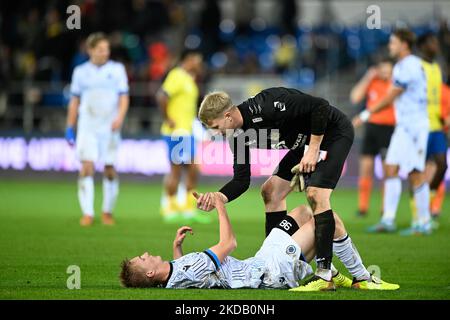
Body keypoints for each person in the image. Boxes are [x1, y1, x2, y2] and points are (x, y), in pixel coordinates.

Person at [193, 87, 380, 291]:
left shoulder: (267, 105)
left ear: (227, 115)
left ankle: (325, 275)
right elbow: (241, 180)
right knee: (270, 191)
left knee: (316, 194)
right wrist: (217, 197)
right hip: (303, 146)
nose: (215, 133)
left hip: (332, 133)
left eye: (215, 126)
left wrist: (313, 151)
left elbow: (320, 106)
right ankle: (273, 264)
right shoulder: (236, 136)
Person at [120, 193, 399, 290]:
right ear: (150, 273)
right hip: (271, 272)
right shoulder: (188, 269)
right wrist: (220, 206)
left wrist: (177, 247)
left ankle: (329, 271)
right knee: (328, 219)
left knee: (302, 211)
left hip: (262, 259)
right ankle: (362, 277)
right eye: (142, 259)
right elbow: (229, 244)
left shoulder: (172, 276)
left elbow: (184, 274)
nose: (145, 253)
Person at [355, 29, 432, 235]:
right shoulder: (401, 66)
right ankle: (388, 219)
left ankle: (423, 222)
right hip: (403, 127)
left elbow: (391, 95)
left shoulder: (411, 65)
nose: (390, 46)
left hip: (415, 126)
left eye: (393, 42)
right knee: (390, 168)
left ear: (404, 44)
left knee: (415, 172)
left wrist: (365, 114)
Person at [65, 32, 129, 226]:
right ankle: (88, 213)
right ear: (90, 50)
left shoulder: (117, 69)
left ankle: (107, 212)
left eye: (107, 49)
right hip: (87, 126)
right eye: (101, 49)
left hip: (109, 126)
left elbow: (124, 96)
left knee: (109, 168)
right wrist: (70, 125)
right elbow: (74, 101)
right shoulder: (80, 72)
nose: (105, 53)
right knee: (86, 167)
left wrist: (119, 117)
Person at [156, 49, 210, 224]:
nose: (199, 63)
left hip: (187, 132)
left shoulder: (189, 78)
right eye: (197, 59)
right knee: (176, 170)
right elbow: (161, 96)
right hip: (176, 132)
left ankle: (187, 208)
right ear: (189, 59)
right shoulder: (177, 75)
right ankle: (168, 208)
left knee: (193, 169)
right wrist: (167, 119)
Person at [351, 58, 396, 217]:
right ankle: (363, 207)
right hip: (371, 129)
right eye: (382, 69)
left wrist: (364, 115)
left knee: (387, 171)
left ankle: (385, 208)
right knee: (366, 169)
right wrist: (368, 77)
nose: (385, 73)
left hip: (389, 129)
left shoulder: (396, 84)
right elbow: (355, 97)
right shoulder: (373, 82)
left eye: (388, 70)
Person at [417, 33, 449, 221]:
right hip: (420, 126)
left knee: (442, 165)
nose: (436, 46)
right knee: (419, 170)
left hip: (436, 126)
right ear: (423, 46)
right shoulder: (417, 67)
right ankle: (420, 215)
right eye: (433, 43)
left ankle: (425, 200)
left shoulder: (436, 68)